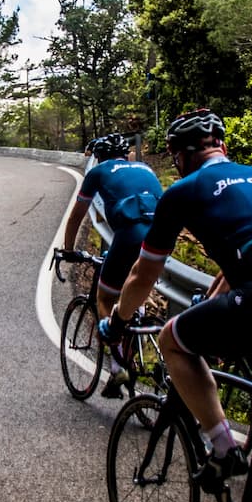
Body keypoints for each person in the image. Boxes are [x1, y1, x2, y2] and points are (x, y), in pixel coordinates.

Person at [100, 110, 252, 502]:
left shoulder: (183, 191)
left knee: (173, 340)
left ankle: (223, 447)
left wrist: (117, 321)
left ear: (179, 157)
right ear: (223, 147)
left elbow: (143, 276)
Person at [61, 132, 164, 396]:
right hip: (160, 238)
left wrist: (69, 250)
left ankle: (119, 369)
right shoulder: (145, 167)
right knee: (131, 298)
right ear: (126, 154)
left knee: (105, 300)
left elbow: (76, 216)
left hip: (129, 236)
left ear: (98, 156)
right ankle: (137, 347)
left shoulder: (99, 171)